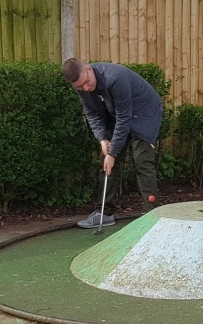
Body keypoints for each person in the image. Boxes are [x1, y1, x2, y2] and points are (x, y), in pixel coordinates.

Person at [62, 58, 164, 228]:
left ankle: (151, 215)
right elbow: (92, 114)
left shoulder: (115, 78)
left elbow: (124, 118)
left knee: (142, 161)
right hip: (116, 113)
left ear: (88, 69)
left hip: (144, 112)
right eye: (80, 87)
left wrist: (113, 153)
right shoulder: (82, 86)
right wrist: (103, 140)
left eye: (87, 83)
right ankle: (105, 213)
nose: (85, 88)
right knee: (106, 161)